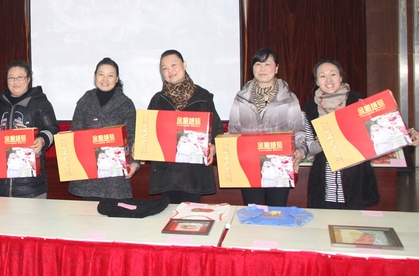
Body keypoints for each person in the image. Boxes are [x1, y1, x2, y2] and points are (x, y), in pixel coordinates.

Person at [228, 48, 307, 206]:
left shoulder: (289, 98)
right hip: (249, 164)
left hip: (279, 165)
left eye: (267, 64)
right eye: (258, 64)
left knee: (276, 211)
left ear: (276, 68)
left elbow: (298, 130)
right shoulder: (241, 98)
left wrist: (300, 151)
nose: (262, 69)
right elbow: (234, 131)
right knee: (254, 211)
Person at [302, 59, 382, 209]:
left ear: (340, 77)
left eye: (333, 74)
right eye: (322, 76)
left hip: (355, 176)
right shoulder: (310, 108)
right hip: (325, 179)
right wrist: (321, 142)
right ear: (317, 82)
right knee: (325, 219)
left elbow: (375, 135)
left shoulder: (357, 103)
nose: (328, 80)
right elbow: (310, 147)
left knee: (353, 221)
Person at [148, 50, 224, 204]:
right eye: (164, 68)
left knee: (191, 216)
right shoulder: (158, 100)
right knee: (169, 215)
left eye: (173, 65)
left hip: (193, 174)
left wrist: (213, 147)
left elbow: (217, 130)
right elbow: (148, 134)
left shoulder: (203, 97)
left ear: (184, 64)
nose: (170, 71)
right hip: (166, 174)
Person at [69, 57, 141, 200]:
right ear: (95, 76)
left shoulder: (126, 104)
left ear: (117, 79)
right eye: (101, 74)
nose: (105, 79)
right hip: (88, 177)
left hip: (115, 179)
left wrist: (135, 163)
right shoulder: (85, 101)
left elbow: (133, 137)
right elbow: (75, 133)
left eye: (110, 75)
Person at [0, 60, 59, 198]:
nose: (16, 82)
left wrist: (42, 140)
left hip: (31, 186)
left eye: (20, 77)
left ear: (29, 79)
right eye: (11, 78)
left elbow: (52, 128)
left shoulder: (40, 102)